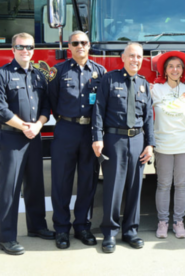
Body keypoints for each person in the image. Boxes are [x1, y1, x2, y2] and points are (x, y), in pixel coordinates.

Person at [92, 42, 155, 253]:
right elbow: (99, 110)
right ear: (123, 57)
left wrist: (150, 144)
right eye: (131, 56)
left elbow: (148, 119)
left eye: (139, 57)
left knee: (135, 187)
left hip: (137, 141)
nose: (135, 60)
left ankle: (130, 231)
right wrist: (97, 138)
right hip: (114, 140)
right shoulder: (109, 79)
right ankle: (109, 233)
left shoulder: (144, 84)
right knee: (113, 188)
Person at [48, 30, 107, 249]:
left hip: (90, 133)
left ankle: (82, 226)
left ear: (89, 45)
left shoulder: (100, 72)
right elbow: (52, 99)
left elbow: (103, 105)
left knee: (87, 182)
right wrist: (66, 120)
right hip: (66, 130)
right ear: (69, 47)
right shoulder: (58, 71)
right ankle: (61, 229)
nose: (80, 46)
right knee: (61, 182)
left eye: (83, 42)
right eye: (75, 43)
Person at [0, 33, 55, 255]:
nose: (25, 50)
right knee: (9, 188)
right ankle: (6, 236)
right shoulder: (3, 74)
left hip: (34, 135)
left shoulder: (39, 77)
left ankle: (37, 226)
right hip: (11, 137)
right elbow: (1, 109)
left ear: (33, 50)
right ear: (13, 49)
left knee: (35, 183)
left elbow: (45, 108)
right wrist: (25, 126)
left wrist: (38, 126)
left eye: (29, 47)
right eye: (20, 47)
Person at [152, 51, 185, 239]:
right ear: (165, 70)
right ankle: (162, 222)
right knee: (163, 184)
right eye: (171, 66)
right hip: (163, 144)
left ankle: (179, 222)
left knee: (182, 184)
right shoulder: (156, 89)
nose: (174, 69)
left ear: (183, 70)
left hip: (184, 144)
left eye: (178, 66)